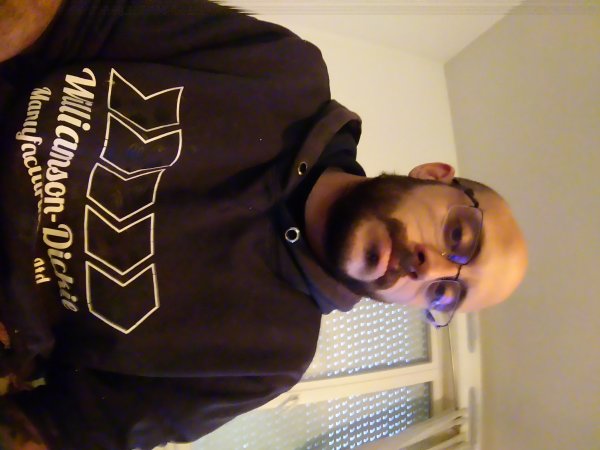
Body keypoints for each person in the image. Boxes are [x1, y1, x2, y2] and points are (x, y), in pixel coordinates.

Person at [0, 0, 528, 448]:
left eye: (444, 294)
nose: (429, 268)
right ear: (434, 175)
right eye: (458, 237)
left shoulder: (269, 358)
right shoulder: (283, 72)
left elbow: (66, 430)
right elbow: (71, 16)